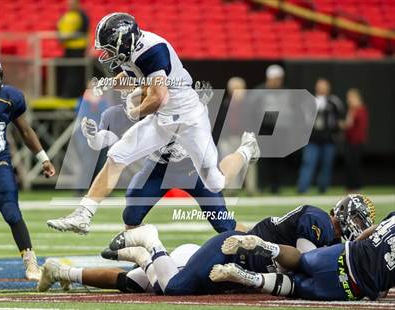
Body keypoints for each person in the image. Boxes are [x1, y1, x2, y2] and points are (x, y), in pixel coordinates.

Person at [48, 13, 259, 234]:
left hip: (188, 119)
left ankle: (245, 150)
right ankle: (84, 214)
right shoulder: (132, 49)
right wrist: (109, 83)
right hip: (163, 119)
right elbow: (129, 78)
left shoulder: (152, 50)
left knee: (215, 182)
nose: (107, 54)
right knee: (117, 155)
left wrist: (133, 112)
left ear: (124, 41)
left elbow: (159, 97)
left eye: (110, 48)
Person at [47, 84, 244, 234]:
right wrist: (94, 136)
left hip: (191, 169)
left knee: (224, 224)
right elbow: (114, 139)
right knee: (131, 214)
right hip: (157, 168)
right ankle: (142, 259)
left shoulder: (192, 112)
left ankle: (244, 153)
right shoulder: (143, 108)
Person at [94, 194, 374, 295]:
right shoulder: (319, 222)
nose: (359, 230)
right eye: (359, 223)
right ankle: (149, 239)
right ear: (346, 213)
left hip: (238, 267)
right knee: (175, 288)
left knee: (157, 286)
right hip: (230, 252)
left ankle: (143, 256)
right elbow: (307, 263)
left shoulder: (329, 236)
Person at [0, 53, 56, 280]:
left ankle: (30, 262)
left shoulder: (10, 97)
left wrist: (44, 158)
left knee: (11, 211)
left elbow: (25, 131)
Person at [210, 211, 395, 301]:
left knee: (300, 260)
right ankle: (251, 278)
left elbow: (371, 232)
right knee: (294, 287)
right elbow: (381, 292)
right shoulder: (318, 220)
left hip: (344, 251)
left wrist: (355, 245)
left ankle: (267, 247)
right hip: (354, 284)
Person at [37, 243, 201, 293]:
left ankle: (62, 272)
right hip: (188, 262)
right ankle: (144, 258)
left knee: (129, 281)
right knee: (169, 288)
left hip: (189, 256)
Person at [297, 78, 345, 194]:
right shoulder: (310, 100)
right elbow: (302, 119)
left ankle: (323, 188)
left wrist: (337, 132)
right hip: (312, 139)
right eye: (320, 86)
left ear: (329, 88)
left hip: (328, 139)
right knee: (309, 163)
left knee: (326, 165)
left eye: (324, 86)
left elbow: (340, 119)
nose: (322, 88)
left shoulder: (334, 101)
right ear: (316, 87)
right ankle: (303, 188)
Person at [253, 65, 285, 194]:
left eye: (280, 79)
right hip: (264, 130)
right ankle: (262, 185)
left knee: (278, 160)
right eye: (276, 79)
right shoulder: (259, 92)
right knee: (264, 160)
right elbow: (254, 113)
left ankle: (275, 186)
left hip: (280, 131)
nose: (278, 82)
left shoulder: (284, 92)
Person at [57, 0, 89, 98]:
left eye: (72, 4)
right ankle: (67, 93)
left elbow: (82, 30)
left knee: (76, 72)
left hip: (78, 49)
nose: (70, 6)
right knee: (68, 71)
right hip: (68, 48)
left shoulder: (82, 16)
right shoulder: (66, 15)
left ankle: (75, 94)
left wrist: (68, 37)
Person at [341, 88, 369, 191]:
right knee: (349, 164)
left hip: (357, 142)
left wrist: (344, 125)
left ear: (357, 97)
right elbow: (348, 125)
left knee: (355, 164)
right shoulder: (351, 110)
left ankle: (357, 186)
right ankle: (350, 186)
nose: (348, 100)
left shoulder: (361, 110)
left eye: (350, 97)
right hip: (349, 141)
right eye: (348, 97)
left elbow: (352, 125)